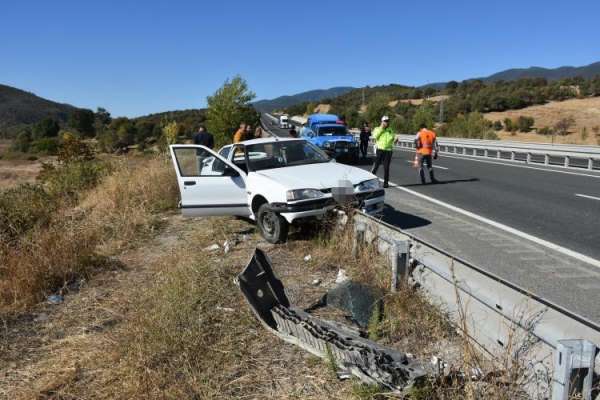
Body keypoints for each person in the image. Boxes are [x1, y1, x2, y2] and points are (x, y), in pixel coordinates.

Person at [370, 116, 395, 188]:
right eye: (385, 121)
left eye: (387, 121)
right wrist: (381, 128)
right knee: (376, 166)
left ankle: (386, 183)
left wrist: (395, 139)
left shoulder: (390, 130)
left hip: (388, 151)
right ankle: (370, 181)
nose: (386, 122)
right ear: (382, 121)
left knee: (386, 167)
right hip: (380, 150)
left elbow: (392, 137)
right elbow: (375, 136)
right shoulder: (377, 128)